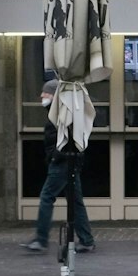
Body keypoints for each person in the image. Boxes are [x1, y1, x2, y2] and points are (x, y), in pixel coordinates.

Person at [24, 79, 95, 253]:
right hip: (69, 162)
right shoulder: (61, 112)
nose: (42, 96)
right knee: (75, 201)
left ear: (55, 95)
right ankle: (86, 240)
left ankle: (41, 239)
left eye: (46, 92)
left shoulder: (61, 114)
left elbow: (66, 140)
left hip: (62, 163)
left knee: (47, 197)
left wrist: (55, 157)